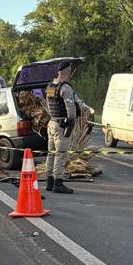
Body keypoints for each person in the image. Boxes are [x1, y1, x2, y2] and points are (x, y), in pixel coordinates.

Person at [43, 59, 81, 195]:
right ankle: (58, 183)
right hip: (61, 125)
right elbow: (71, 109)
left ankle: (49, 182)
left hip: (52, 123)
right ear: (68, 72)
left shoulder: (50, 86)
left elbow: (49, 106)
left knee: (51, 153)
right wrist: (71, 121)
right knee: (60, 154)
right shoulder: (65, 88)